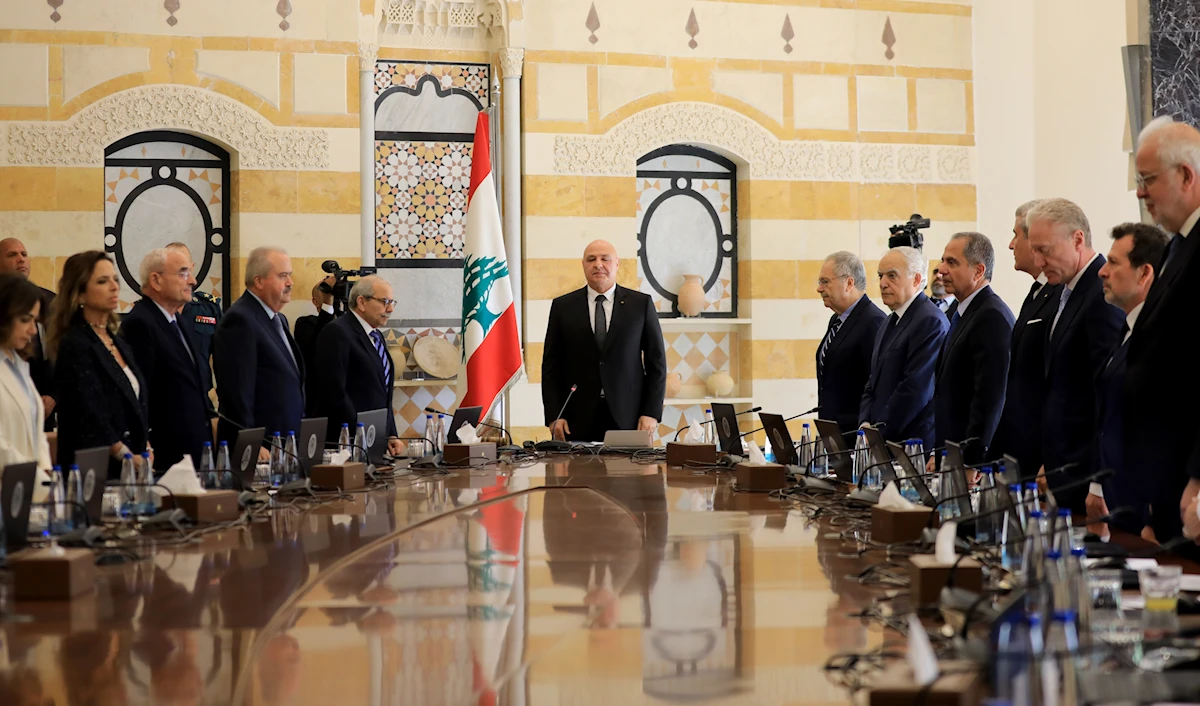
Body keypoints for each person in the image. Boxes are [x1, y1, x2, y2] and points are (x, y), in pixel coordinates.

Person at [1122, 119, 1200, 544]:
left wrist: (1198, 476)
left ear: (1186, 175)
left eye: (1148, 179)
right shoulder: (1177, 244)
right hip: (1165, 479)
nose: (1139, 191)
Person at [1026, 198, 1123, 511]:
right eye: (1034, 250)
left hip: (1087, 475)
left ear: (1077, 239)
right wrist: (1049, 461)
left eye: (1045, 250)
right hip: (1062, 468)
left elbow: (1107, 394)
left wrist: (1100, 481)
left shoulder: (1102, 293)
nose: (1038, 261)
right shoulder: (1064, 290)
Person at [541, 240, 667, 442]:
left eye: (604, 259)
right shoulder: (562, 307)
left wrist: (651, 412)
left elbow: (657, 363)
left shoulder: (640, 305)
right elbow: (551, 367)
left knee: (631, 473)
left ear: (617, 264)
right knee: (579, 474)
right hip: (575, 418)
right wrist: (555, 414)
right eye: (591, 259)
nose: (598, 264)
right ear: (583, 265)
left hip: (630, 417)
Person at [1088, 223, 1167, 540]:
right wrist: (1098, 484)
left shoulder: (1160, 336)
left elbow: (1161, 427)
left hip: (1145, 511)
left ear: (1144, 273)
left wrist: (1155, 513)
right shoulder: (1129, 328)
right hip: (1119, 502)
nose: (1102, 272)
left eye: (1114, 263)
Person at [46, 251, 150, 475]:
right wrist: (126, 455)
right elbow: (91, 413)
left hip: (130, 463)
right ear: (80, 295)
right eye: (103, 281)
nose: (114, 287)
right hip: (94, 468)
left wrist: (146, 447)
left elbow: (134, 400)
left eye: (115, 279)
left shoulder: (116, 340)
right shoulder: (75, 343)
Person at [119, 249, 213, 471]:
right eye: (183, 273)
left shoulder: (179, 322)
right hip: (166, 455)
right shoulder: (140, 323)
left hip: (194, 450)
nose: (193, 280)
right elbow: (140, 395)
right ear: (156, 280)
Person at [990, 200, 1062, 478]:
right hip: (1018, 446)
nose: (1010, 245)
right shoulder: (1036, 294)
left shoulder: (1059, 295)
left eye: (1016, 235)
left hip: (1040, 452)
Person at [931, 232, 1014, 462]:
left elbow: (989, 397)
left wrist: (972, 459)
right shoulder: (961, 311)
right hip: (950, 450)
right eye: (943, 260)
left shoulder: (991, 316)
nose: (941, 270)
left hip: (969, 459)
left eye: (952, 262)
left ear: (978, 271)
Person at [212, 247, 305, 446]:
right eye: (283, 276)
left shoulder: (278, 319)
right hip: (260, 446)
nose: (290, 282)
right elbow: (237, 393)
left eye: (289, 275)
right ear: (259, 281)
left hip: (284, 442)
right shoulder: (240, 320)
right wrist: (252, 441)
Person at [859, 246, 948, 449]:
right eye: (881, 276)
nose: (882, 283)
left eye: (892, 276)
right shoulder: (888, 321)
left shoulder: (930, 320)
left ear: (917, 280)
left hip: (909, 444)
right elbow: (872, 382)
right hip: (881, 440)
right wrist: (864, 425)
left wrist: (878, 434)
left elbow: (915, 389)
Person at [314, 276, 404, 456]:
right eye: (384, 301)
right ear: (362, 302)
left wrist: (390, 433)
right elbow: (334, 393)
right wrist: (362, 433)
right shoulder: (337, 332)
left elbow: (383, 392)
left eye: (392, 302)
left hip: (372, 441)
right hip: (347, 443)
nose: (390, 309)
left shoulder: (376, 336)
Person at [814, 251, 886, 434]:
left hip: (856, 435)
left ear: (849, 283)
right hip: (832, 432)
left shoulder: (873, 321)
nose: (819, 289)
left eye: (825, 281)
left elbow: (877, 385)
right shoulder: (836, 320)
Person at [0, 274, 53, 501]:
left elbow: (35, 430)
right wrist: (43, 484)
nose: (33, 330)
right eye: (25, 320)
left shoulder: (18, 363)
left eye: (35, 320)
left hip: (28, 494)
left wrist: (47, 472)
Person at [0, 237, 57, 428]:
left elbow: (64, 354)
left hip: (45, 411)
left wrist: (54, 396)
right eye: (12, 255)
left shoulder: (50, 301)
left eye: (24, 254)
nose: (21, 259)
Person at [168, 242, 221, 409]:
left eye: (186, 269)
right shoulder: (152, 313)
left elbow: (226, 360)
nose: (186, 277)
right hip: (165, 405)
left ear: (192, 267)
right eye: (177, 271)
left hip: (203, 403)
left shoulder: (208, 308)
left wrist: (214, 395)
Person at [294, 275, 336, 415]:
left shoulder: (350, 325)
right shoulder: (305, 324)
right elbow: (317, 344)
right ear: (315, 301)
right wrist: (328, 304)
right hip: (317, 402)